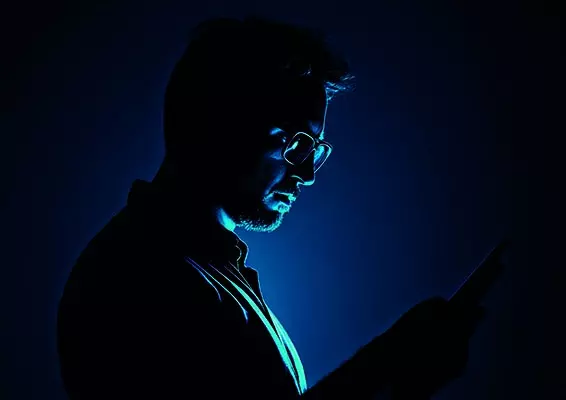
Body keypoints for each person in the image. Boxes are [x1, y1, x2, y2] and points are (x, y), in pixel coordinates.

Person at [57, 16, 488, 400]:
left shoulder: (208, 270)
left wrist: (395, 376)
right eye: (298, 143)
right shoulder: (139, 273)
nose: (308, 174)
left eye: (316, 150)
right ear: (220, 123)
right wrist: (384, 366)